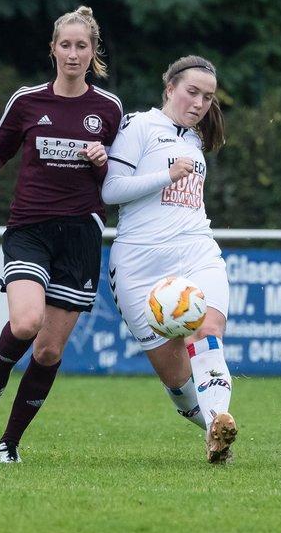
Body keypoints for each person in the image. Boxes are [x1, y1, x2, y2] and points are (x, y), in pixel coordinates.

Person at [0, 5, 123, 463]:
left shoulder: (109, 109)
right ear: (52, 50)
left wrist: (103, 161)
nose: (73, 54)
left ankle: (9, 443)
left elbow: (118, 177)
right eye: (65, 45)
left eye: (81, 46)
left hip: (81, 235)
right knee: (26, 323)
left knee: (48, 351)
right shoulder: (28, 101)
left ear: (93, 53)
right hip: (30, 226)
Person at [101, 55, 239, 464]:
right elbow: (110, 191)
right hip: (140, 264)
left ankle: (221, 419)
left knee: (207, 329)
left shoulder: (195, 139)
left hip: (196, 250)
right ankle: (211, 428)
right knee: (177, 381)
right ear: (170, 89)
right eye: (191, 92)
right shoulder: (140, 125)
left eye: (207, 97)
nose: (198, 103)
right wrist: (167, 174)